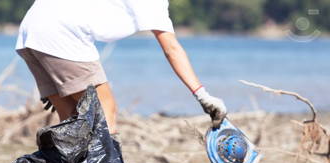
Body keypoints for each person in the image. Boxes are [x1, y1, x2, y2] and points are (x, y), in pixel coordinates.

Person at [16, 0, 227, 135]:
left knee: (70, 122)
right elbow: (172, 49)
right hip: (62, 34)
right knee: (105, 115)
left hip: (31, 30)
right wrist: (202, 95)